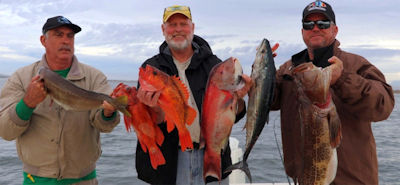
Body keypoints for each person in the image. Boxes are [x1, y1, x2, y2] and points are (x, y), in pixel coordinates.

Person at [271, 1, 395, 184]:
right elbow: (269, 101)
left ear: (335, 30)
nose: (315, 28)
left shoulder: (356, 64)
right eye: (308, 24)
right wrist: (261, 74)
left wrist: (343, 79)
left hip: (352, 180)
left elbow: (382, 106)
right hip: (305, 177)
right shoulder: (288, 69)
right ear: (302, 31)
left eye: (322, 24)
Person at [135, 5, 252, 185]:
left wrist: (240, 100)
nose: (178, 29)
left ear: (193, 27)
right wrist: (155, 111)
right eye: (172, 24)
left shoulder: (215, 67)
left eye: (183, 24)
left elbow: (229, 117)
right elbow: (143, 121)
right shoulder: (151, 69)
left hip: (212, 155)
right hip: (170, 163)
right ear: (163, 30)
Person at [0, 16, 120, 185]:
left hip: (83, 179)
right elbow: (5, 131)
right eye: (58, 34)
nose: (66, 41)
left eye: (70, 36)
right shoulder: (20, 78)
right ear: (43, 40)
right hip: (36, 180)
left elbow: (104, 126)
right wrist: (27, 103)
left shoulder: (94, 77)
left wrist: (108, 114)